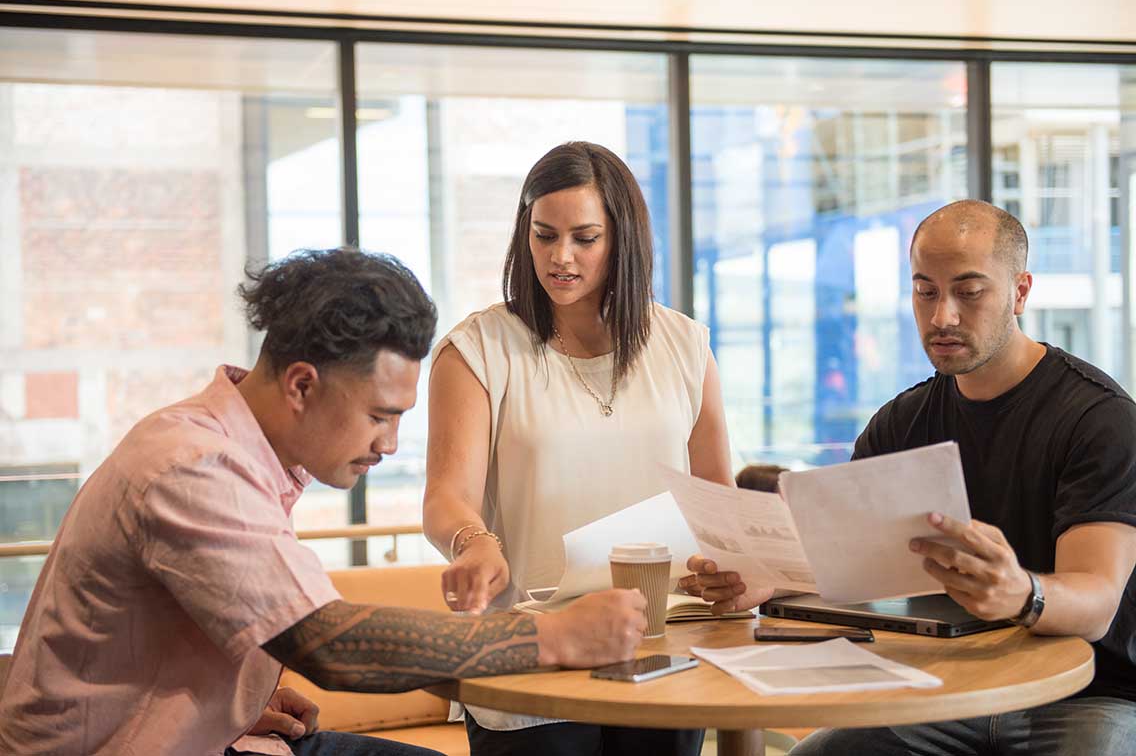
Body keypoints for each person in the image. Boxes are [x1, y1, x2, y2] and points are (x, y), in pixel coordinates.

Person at [0, 248, 648, 756]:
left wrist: (231, 700)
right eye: (379, 415)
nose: (390, 445)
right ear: (303, 385)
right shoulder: (191, 468)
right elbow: (333, 647)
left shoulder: (240, 455)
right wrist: (553, 634)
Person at [691, 200, 1136, 755]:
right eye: (925, 291)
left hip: (1088, 693)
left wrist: (1023, 592)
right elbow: (847, 561)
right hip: (946, 689)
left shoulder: (1098, 418)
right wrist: (766, 580)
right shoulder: (900, 423)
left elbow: (1097, 602)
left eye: (969, 292)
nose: (942, 316)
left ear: (1020, 291)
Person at [422, 142, 734, 756]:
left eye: (584, 238)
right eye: (544, 235)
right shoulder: (480, 349)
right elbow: (445, 497)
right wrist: (473, 542)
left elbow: (717, 500)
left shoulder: (684, 344)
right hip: (532, 655)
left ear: (624, 241)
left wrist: (734, 569)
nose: (560, 257)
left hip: (661, 649)